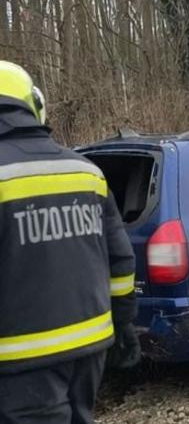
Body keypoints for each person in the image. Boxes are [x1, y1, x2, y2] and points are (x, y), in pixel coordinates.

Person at [0, 61, 140, 423]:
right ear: (34, 105)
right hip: (89, 349)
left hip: (18, 362)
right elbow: (121, 261)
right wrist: (123, 324)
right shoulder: (87, 172)